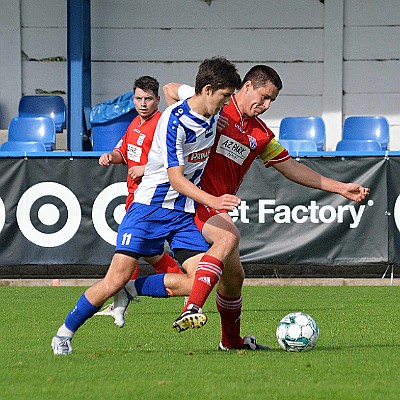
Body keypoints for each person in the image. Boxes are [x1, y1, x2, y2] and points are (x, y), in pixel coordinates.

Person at [114, 65, 370, 351]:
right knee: (227, 238)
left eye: (272, 101)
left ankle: (227, 340)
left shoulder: (261, 135)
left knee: (233, 279)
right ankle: (192, 308)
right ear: (246, 87)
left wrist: (339, 187)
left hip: (216, 205)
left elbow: (291, 168)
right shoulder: (217, 107)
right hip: (194, 200)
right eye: (264, 97)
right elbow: (171, 90)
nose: (266, 105)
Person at [51, 56, 242, 355]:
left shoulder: (202, 101)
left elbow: (169, 88)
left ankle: (133, 289)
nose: (227, 103)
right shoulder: (175, 123)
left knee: (201, 280)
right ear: (207, 89)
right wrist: (214, 201)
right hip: (149, 209)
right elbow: (177, 180)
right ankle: (64, 333)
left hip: (182, 214)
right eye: (225, 96)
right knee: (113, 280)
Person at [97, 76, 182, 318]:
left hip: (151, 197)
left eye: (148, 99)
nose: (142, 103)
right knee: (147, 251)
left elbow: (175, 157)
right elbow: (124, 151)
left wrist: (146, 168)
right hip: (134, 195)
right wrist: (111, 157)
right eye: (138, 98)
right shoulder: (135, 122)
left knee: (128, 247)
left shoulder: (163, 124)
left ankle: (119, 298)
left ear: (157, 99)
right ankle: (186, 281)